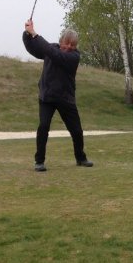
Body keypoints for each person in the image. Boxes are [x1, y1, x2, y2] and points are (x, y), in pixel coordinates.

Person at [23, 19, 93, 171]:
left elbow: (53, 53)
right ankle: (39, 161)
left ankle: (81, 158)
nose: (69, 47)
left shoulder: (73, 57)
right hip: (47, 97)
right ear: (61, 41)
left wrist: (34, 33)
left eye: (72, 45)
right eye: (66, 43)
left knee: (76, 130)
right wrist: (27, 34)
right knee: (43, 127)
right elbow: (34, 49)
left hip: (65, 98)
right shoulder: (52, 49)